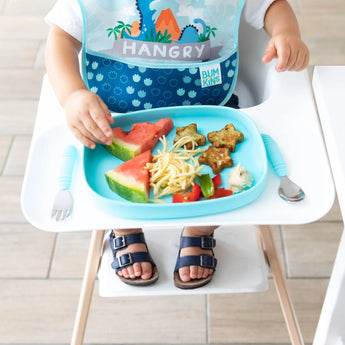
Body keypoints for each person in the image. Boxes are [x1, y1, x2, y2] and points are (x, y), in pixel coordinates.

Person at [45, 0, 309, 289]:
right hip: (117, 115)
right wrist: (72, 94)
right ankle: (123, 225)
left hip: (205, 105)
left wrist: (286, 32)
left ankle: (200, 227)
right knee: (109, 174)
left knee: (216, 178)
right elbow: (61, 38)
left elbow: (273, 4)